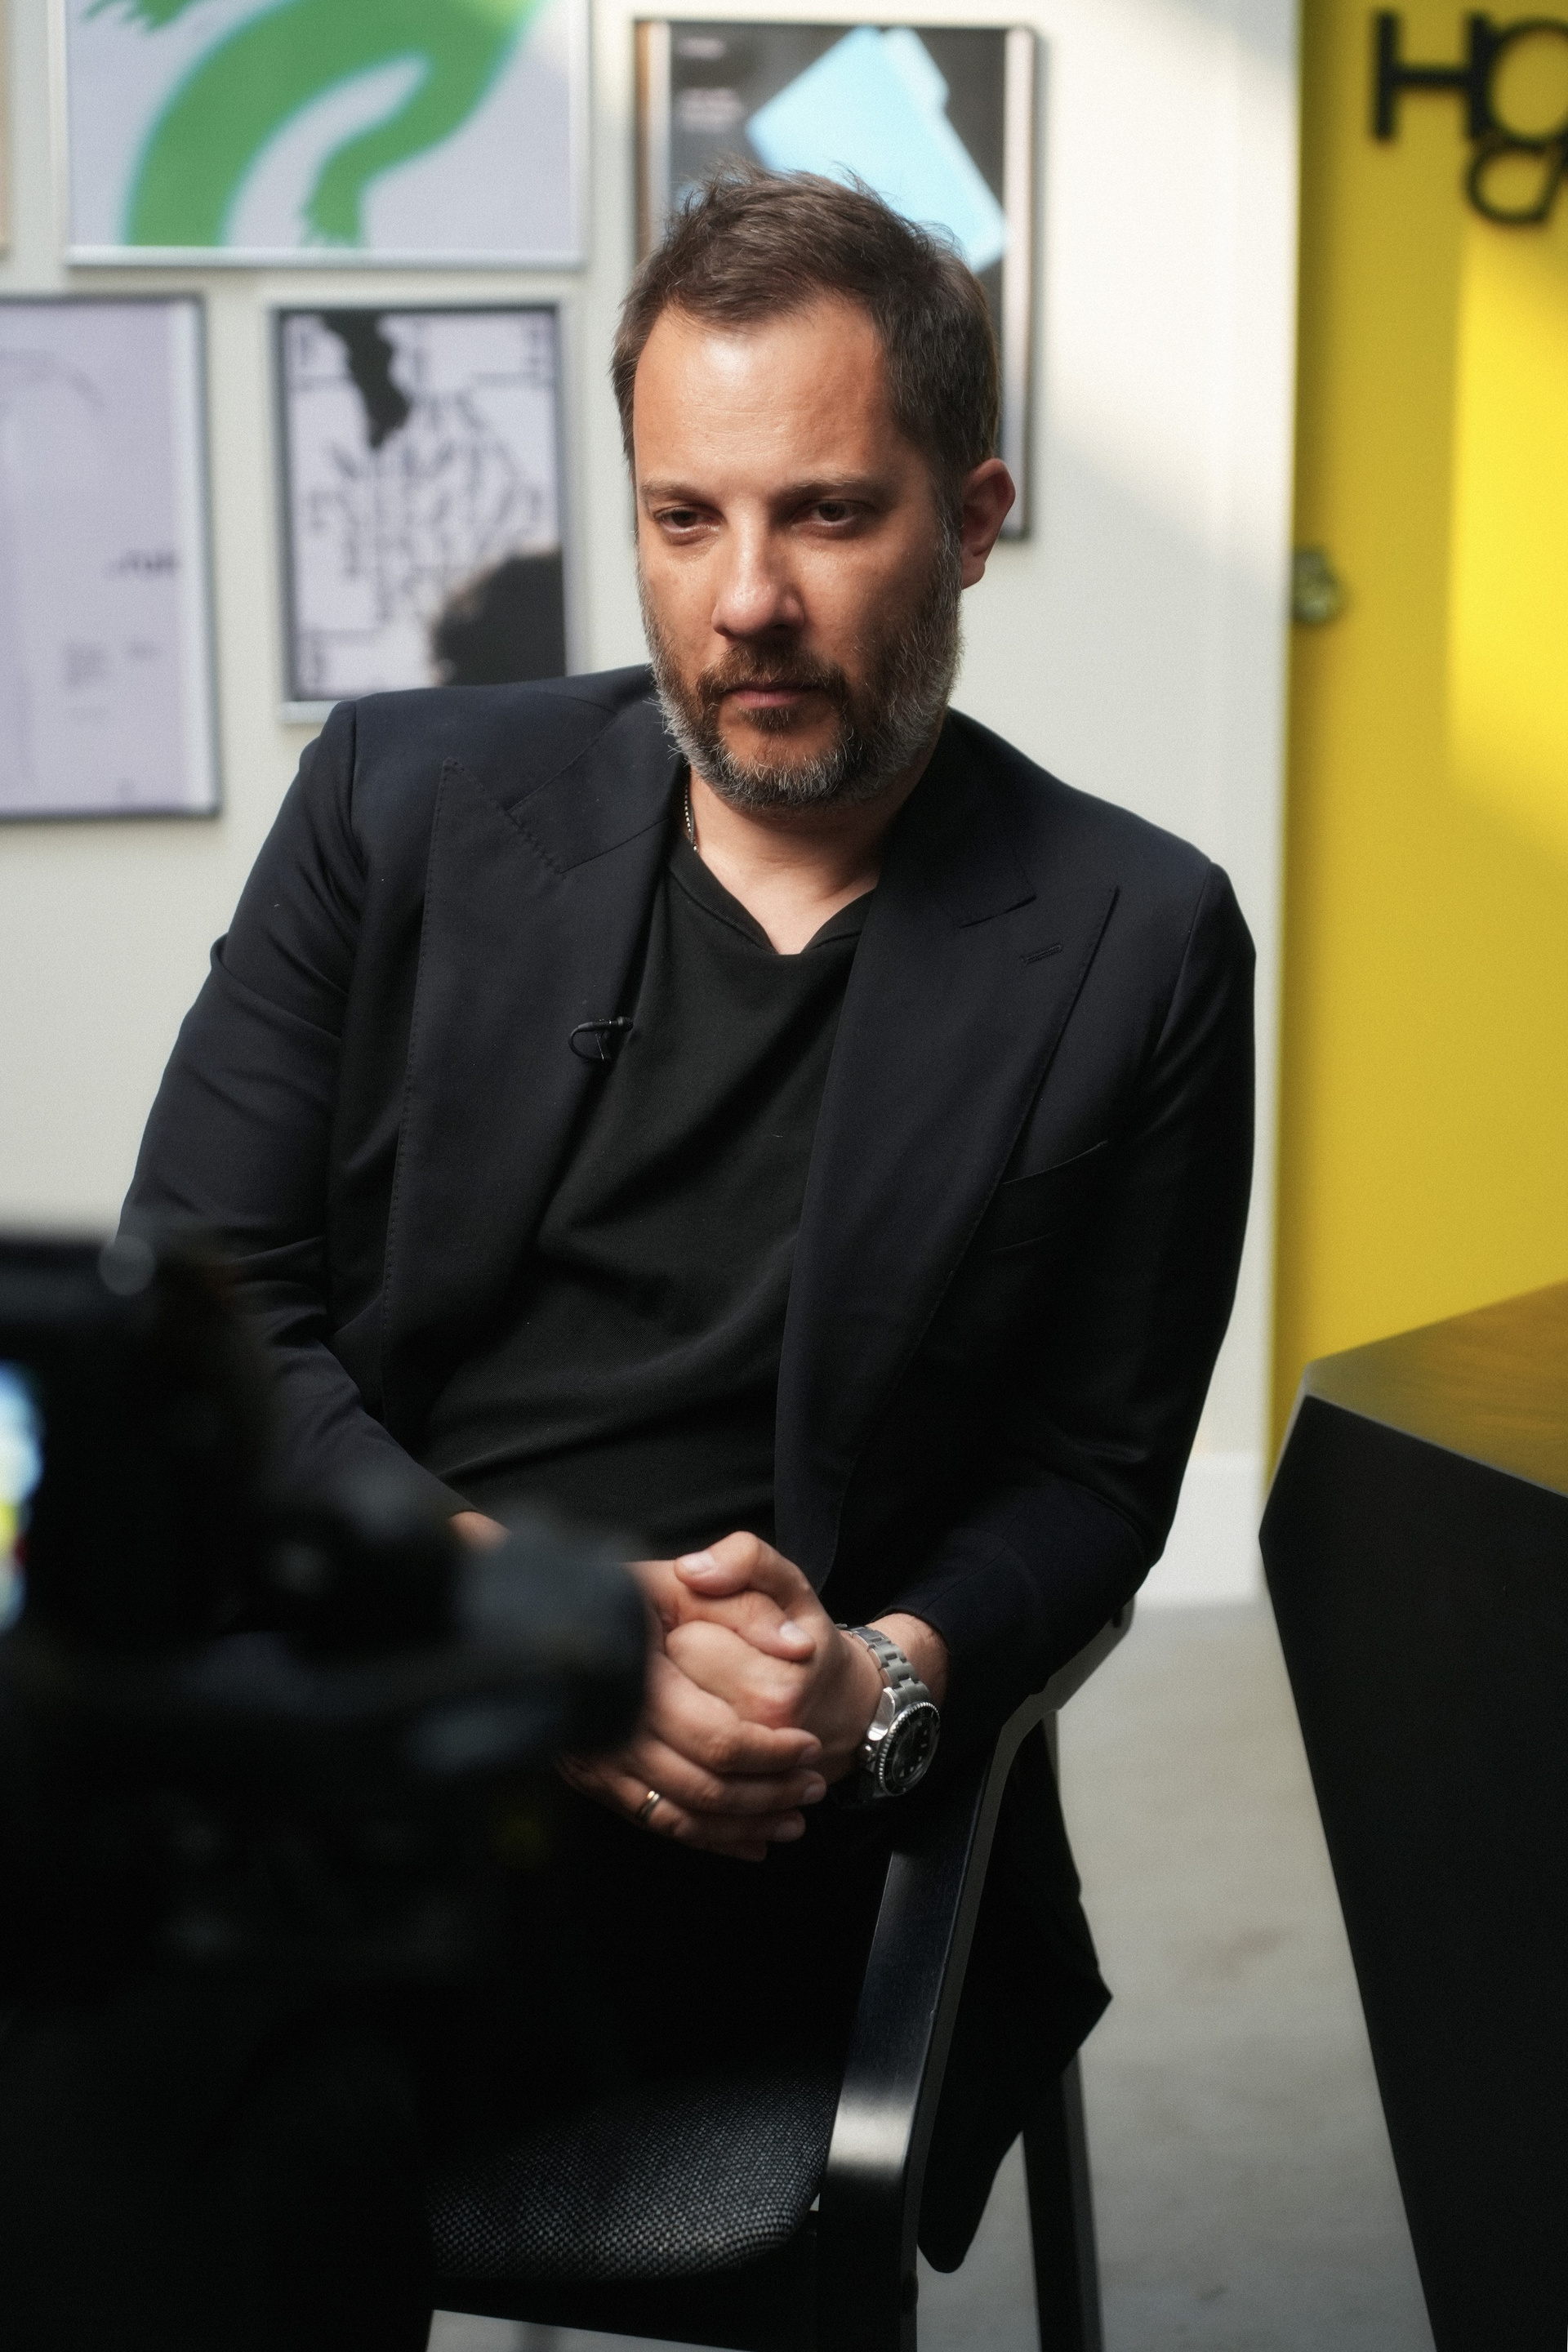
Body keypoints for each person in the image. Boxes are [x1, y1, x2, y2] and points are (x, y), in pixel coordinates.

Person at [0, 167, 1253, 2347]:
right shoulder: (396, 799)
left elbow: (1093, 1474)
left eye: (827, 515)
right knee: (150, 2003)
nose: (745, 599)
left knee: (179, 2057)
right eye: (687, 518)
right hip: (377, 1704)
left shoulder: (1140, 939)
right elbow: (212, 1302)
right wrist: (529, 1622)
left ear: (971, 519)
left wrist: (883, 1686)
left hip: (757, 1824)